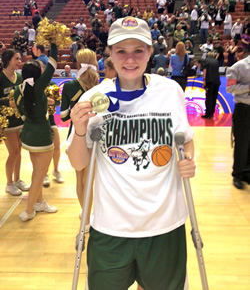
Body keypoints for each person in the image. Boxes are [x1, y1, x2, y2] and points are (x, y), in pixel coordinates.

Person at [66, 16, 195, 290]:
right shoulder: (94, 98)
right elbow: (78, 162)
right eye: (121, 51)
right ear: (110, 55)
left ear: (150, 52)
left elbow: (185, 140)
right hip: (110, 226)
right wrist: (78, 129)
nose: (130, 59)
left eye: (138, 50)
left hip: (165, 225)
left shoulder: (170, 92)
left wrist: (189, 160)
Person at [14, 43, 59, 221]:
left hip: (28, 136)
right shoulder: (39, 87)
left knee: (36, 171)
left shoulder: (20, 89)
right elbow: (53, 64)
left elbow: (20, 106)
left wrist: (41, 104)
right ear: (37, 75)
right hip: (42, 136)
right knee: (40, 176)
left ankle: (39, 203)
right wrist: (54, 44)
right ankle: (29, 210)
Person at [60, 49, 99, 225]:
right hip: (97, 135)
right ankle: (92, 213)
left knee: (79, 178)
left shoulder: (69, 87)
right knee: (90, 178)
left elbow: (63, 117)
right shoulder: (101, 85)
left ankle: (85, 215)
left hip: (77, 134)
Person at [0, 50, 30, 196]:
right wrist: (8, 102)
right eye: (16, 59)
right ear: (8, 60)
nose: (19, 61)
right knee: (14, 152)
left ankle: (17, 179)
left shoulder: (19, 77)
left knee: (19, 150)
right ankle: (9, 183)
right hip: (6, 121)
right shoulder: (0, 77)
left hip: (19, 119)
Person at [226, 44, 250, 189]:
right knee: (242, 143)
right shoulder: (238, 67)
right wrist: (248, 88)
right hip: (243, 110)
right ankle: (238, 174)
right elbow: (229, 88)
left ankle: (247, 172)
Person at [201, 51, 221, 119]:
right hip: (217, 81)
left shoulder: (205, 61)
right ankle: (212, 113)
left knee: (208, 97)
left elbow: (205, 70)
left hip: (209, 80)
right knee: (214, 97)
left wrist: (204, 80)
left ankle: (208, 114)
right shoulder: (216, 61)